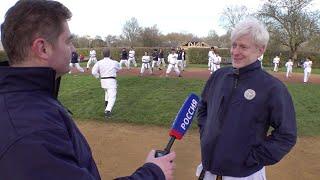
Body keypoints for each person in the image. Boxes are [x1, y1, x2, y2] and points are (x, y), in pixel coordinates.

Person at [0, 1, 176, 180]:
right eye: (68, 41)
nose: (74, 49)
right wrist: (153, 174)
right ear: (43, 48)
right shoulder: (31, 128)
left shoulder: (25, 102)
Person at [197, 18, 297, 180]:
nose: (235, 51)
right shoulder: (218, 76)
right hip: (208, 170)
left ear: (260, 50)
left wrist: (252, 158)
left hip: (244, 175)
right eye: (234, 45)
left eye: (243, 46)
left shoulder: (273, 88)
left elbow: (286, 135)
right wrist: (206, 134)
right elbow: (203, 108)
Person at [92, 48, 120, 118]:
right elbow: (119, 68)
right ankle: (108, 111)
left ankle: (106, 104)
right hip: (111, 81)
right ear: (110, 54)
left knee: (107, 92)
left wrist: (98, 76)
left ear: (102, 54)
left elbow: (93, 72)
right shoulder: (114, 62)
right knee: (112, 96)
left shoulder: (99, 62)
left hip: (103, 81)